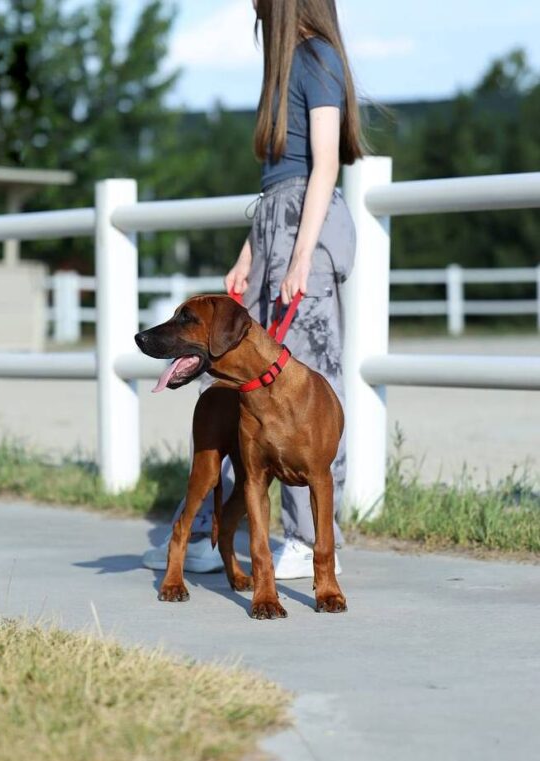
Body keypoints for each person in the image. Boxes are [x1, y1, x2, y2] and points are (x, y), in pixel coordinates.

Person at [143, 0, 364, 579]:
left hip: (304, 228)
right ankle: (220, 531)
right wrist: (252, 252)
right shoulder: (288, 69)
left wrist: (300, 253)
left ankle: (310, 539)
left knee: (307, 381)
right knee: (253, 377)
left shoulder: (317, 59)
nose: (258, 15)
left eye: (263, 8)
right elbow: (277, 186)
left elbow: (323, 166)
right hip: (277, 224)